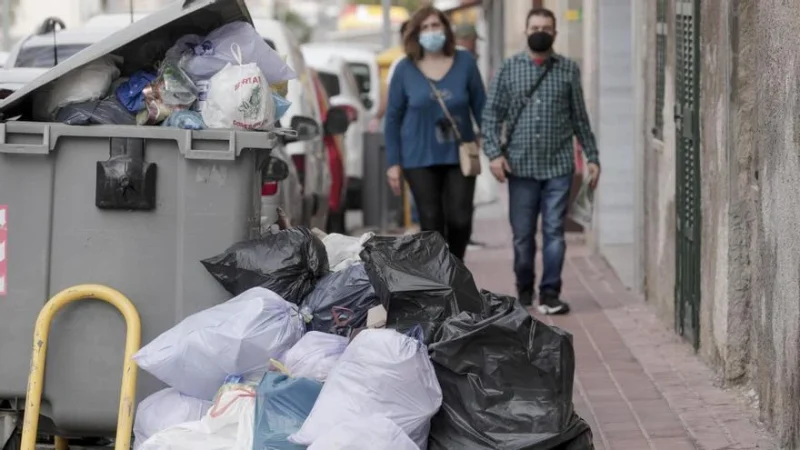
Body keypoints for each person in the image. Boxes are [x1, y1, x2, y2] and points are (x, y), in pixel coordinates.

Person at [482, 8, 600, 314]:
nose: (541, 31)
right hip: (520, 168)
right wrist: (494, 154)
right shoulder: (508, 69)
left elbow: (579, 117)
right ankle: (524, 291)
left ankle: (550, 293)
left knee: (553, 232)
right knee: (522, 237)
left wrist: (592, 156)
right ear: (525, 31)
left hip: (559, 167)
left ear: (555, 33)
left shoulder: (568, 70)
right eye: (535, 26)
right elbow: (491, 115)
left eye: (547, 27)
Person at [385, 6, 487, 260]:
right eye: (426, 27)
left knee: (461, 218)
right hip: (417, 157)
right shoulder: (404, 69)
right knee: (431, 222)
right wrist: (393, 163)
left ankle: (457, 267)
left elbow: (482, 108)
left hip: (460, 154)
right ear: (416, 34)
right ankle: (440, 280)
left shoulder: (465, 63)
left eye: (436, 26)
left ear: (446, 29)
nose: (432, 31)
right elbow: (393, 118)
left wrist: (493, 146)